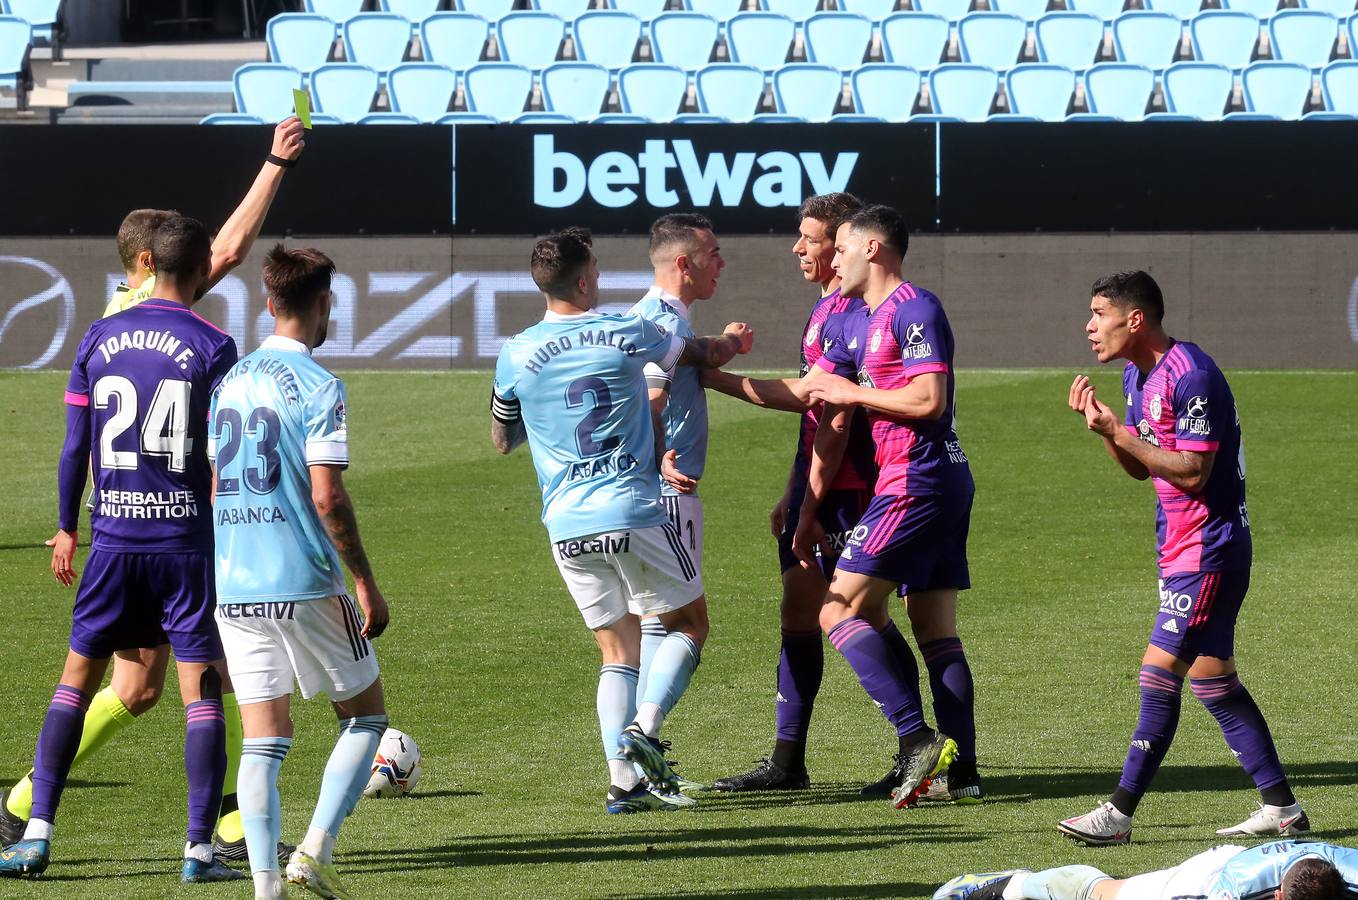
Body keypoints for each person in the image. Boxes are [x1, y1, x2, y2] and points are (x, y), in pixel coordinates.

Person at [2, 116, 308, 864]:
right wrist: (274, 162)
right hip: (176, 528)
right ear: (148, 261)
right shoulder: (152, 318)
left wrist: (69, 520)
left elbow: (77, 439)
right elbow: (230, 248)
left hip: (121, 525)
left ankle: (20, 810)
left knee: (138, 688)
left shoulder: (110, 321)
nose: (208, 262)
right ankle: (224, 829)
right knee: (218, 674)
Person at [701, 205, 978, 807]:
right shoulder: (853, 318)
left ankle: (919, 743)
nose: (806, 252)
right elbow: (810, 395)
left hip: (908, 481)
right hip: (913, 480)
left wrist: (811, 503)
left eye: (823, 243)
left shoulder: (910, 307)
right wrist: (712, 377)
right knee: (918, 623)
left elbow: (919, 400)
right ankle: (959, 770)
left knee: (836, 609)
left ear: (863, 248)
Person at [0, 217, 242, 882]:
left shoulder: (98, 336)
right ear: (201, 271)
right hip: (184, 544)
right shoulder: (217, 345)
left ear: (148, 263)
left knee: (76, 683)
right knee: (202, 695)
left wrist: (67, 525)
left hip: (112, 539)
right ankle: (198, 850)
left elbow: (75, 445)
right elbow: (225, 455)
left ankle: (37, 833)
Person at [491, 228, 751, 814]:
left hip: (565, 521)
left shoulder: (515, 351)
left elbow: (503, 437)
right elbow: (688, 357)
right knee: (690, 622)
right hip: (633, 505)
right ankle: (646, 729)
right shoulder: (626, 330)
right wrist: (728, 342)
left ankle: (623, 784)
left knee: (616, 651)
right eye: (598, 269)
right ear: (584, 280)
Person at [1060, 270, 1304, 846]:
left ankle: (1118, 814)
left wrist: (1121, 432)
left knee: (1158, 671)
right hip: (1180, 545)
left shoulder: (1191, 376)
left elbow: (1195, 471)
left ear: (1135, 319)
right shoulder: (1134, 373)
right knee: (1212, 679)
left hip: (1209, 548)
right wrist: (1106, 431)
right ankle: (1283, 808)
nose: (1089, 325)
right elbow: (1143, 465)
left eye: (1099, 313)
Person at [209, 244, 389, 900]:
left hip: (235, 583)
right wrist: (365, 579)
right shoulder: (318, 386)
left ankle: (266, 889)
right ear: (323, 302)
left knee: (263, 739)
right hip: (306, 578)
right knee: (365, 719)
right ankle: (314, 850)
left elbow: (212, 487)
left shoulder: (229, 381)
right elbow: (327, 495)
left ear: (267, 300)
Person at [702, 192, 879, 793]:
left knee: (849, 612)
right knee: (802, 610)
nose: (797, 247)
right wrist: (791, 490)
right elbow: (813, 417)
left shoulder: (852, 313)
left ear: (845, 243)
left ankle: (921, 741)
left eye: (811, 238)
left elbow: (824, 410)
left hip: (849, 489)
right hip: (815, 485)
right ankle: (787, 762)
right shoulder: (825, 307)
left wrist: (715, 378)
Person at [625, 213, 729, 793]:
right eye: (713, 252)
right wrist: (659, 455)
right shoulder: (660, 320)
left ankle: (635, 774)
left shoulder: (662, 320)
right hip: (668, 491)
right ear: (684, 263)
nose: (722, 262)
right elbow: (651, 396)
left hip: (646, 491)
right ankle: (645, 728)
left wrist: (720, 349)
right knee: (691, 622)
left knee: (653, 624)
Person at [934, 840, 1357, 900]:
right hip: (1206, 876)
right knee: (1108, 895)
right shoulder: (1229, 892)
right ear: (1280, 898)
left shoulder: (1346, 871)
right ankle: (1012, 884)